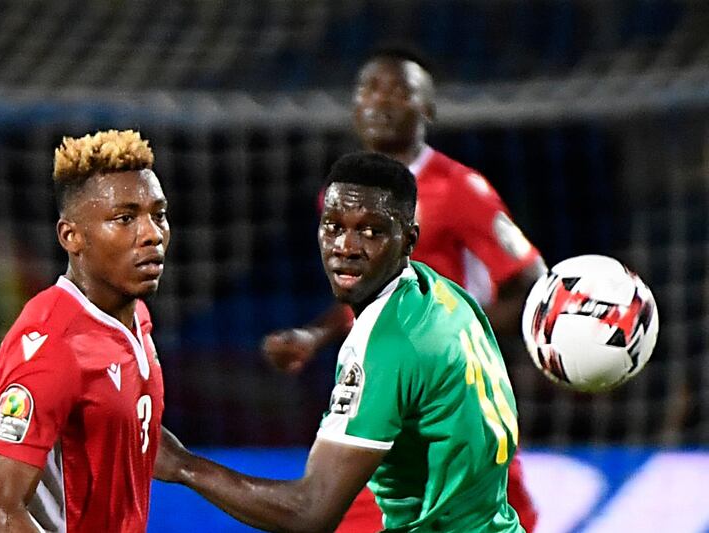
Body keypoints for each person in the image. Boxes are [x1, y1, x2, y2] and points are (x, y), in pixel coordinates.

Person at [156, 151, 524, 532]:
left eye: (371, 231)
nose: (345, 246)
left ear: (409, 239)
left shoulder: (388, 344)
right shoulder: (444, 294)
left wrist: (182, 465)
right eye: (333, 226)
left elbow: (310, 512)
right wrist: (316, 334)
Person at [262, 47, 545, 532]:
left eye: (399, 91)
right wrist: (315, 335)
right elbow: (367, 296)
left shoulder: (461, 189)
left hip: (448, 403)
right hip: (379, 389)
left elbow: (533, 284)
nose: (382, 101)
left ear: (427, 109)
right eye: (370, 89)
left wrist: (449, 340)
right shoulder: (347, 197)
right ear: (354, 107)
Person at [0, 130, 171, 532]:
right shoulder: (53, 344)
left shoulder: (134, 320)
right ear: (71, 236)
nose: (151, 234)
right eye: (125, 218)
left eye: (159, 214)